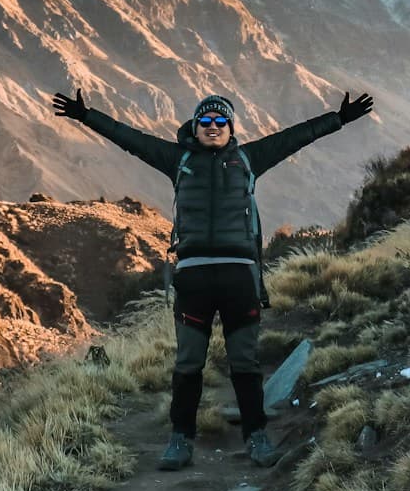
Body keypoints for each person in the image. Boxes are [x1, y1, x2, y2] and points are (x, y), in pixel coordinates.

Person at [50, 87, 375, 470]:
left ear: (231, 127)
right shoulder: (178, 159)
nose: (213, 126)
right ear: (195, 126)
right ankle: (180, 440)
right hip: (194, 277)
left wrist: (337, 119)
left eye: (221, 121)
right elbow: (131, 139)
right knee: (188, 363)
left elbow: (295, 137)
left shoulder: (248, 158)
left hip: (239, 276)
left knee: (245, 363)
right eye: (205, 121)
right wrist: (87, 116)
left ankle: (256, 437)